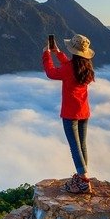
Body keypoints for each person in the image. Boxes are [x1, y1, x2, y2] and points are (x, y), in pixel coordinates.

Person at [43, 33, 95, 194]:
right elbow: (68, 65)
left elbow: (51, 72)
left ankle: (83, 180)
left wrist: (46, 54)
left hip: (70, 114)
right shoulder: (86, 68)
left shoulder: (69, 69)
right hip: (84, 112)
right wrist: (57, 53)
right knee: (82, 145)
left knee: (74, 146)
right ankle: (82, 176)